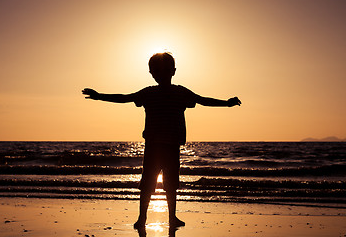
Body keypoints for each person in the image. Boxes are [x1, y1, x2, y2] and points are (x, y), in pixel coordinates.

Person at [82, 52, 241, 229]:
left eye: (163, 70)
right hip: (156, 145)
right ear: (151, 73)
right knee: (150, 183)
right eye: (156, 71)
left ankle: (166, 217)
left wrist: (226, 103)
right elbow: (124, 98)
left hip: (169, 145)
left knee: (167, 183)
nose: (160, 74)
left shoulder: (178, 92)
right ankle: (144, 218)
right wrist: (100, 96)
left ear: (173, 71)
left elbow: (203, 100)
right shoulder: (153, 93)